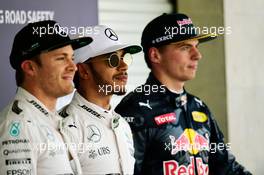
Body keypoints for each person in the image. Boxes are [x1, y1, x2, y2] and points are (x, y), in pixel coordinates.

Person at [115, 13, 252, 175]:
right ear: (155, 55)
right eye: (185, 47)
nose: (197, 55)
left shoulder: (199, 107)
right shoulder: (135, 110)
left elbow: (226, 168)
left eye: (197, 46)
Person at [0, 20, 92, 175]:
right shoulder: (18, 125)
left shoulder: (51, 119)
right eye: (61, 58)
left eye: (72, 57)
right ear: (30, 67)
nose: (73, 66)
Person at [59, 25, 142, 174]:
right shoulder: (64, 129)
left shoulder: (122, 125)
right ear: (84, 70)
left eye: (124, 58)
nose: (124, 66)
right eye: (113, 59)